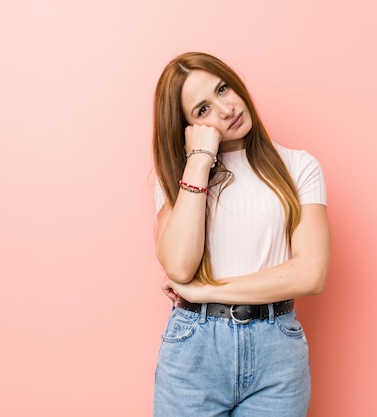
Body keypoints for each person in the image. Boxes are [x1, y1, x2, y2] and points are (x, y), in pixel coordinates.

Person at [152, 52, 331, 417]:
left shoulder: (299, 167)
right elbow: (179, 266)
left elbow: (311, 273)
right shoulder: (179, 178)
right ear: (187, 126)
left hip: (276, 351)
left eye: (223, 88)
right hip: (193, 351)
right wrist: (200, 158)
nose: (225, 108)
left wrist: (205, 291)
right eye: (202, 110)